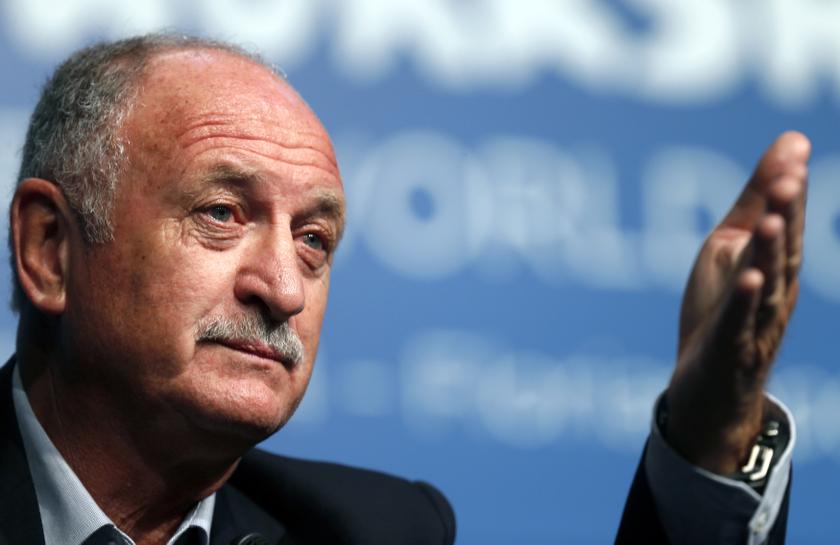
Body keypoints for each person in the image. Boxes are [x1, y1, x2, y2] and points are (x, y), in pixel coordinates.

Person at [0, 33, 808, 545]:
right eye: (221, 213)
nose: (282, 287)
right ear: (51, 250)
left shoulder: (373, 531)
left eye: (314, 240)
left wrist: (710, 434)